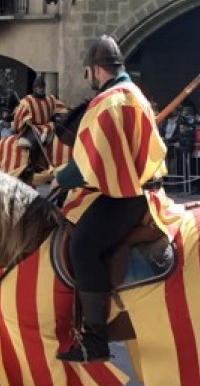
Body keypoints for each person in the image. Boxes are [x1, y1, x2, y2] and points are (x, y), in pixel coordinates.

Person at [49, 36, 172, 363]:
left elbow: (92, 161)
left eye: (87, 72)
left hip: (125, 194)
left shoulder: (108, 102)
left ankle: (95, 340)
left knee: (83, 245)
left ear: (93, 70)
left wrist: (59, 177)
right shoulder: (133, 95)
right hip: (135, 187)